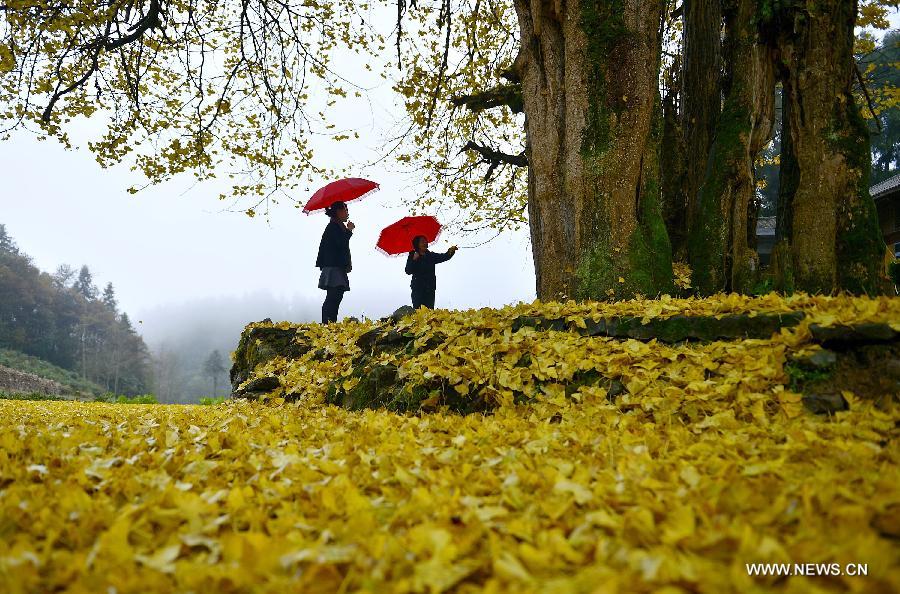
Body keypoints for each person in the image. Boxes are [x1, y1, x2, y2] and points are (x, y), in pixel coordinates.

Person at [315, 201, 354, 323]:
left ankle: (330, 323)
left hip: (336, 267)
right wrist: (349, 230)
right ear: (338, 211)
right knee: (333, 296)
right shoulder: (333, 226)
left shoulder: (336, 226)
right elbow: (340, 244)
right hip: (333, 267)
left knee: (336, 295)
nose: (347, 212)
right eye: (345, 209)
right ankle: (327, 323)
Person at [405, 235, 457, 309]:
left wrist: (451, 251)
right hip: (418, 288)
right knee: (418, 311)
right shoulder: (412, 255)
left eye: (426, 241)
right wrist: (414, 260)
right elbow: (408, 271)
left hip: (430, 287)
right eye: (422, 241)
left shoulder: (431, 255)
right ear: (417, 244)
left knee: (430, 311)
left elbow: (444, 256)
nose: (425, 243)